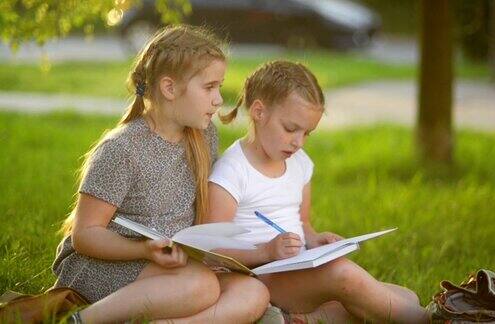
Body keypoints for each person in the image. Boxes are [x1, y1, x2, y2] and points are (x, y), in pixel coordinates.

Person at [51, 25, 269, 323]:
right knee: (201, 286)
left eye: (219, 87)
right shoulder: (121, 149)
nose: (219, 99)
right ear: (169, 88)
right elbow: (85, 236)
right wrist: (144, 250)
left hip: (172, 263)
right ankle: (85, 320)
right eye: (209, 87)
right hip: (105, 262)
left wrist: (212, 255)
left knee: (254, 293)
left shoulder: (204, 137)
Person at [207, 60, 430, 323]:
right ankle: (436, 320)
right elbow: (211, 249)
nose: (298, 142)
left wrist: (315, 239)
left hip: (295, 272)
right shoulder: (233, 170)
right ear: (259, 112)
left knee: (404, 296)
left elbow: (302, 223)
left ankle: (298, 318)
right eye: (291, 129)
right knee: (346, 276)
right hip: (256, 278)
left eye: (307, 133)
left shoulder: (299, 163)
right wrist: (266, 252)